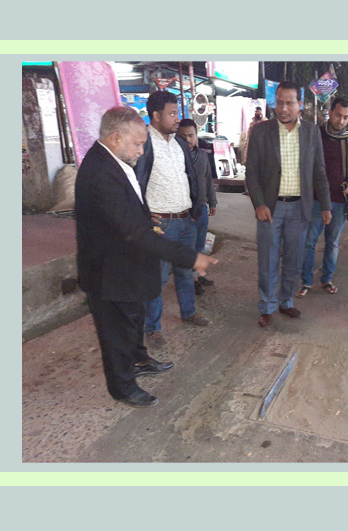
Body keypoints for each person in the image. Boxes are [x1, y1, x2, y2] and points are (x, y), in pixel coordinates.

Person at [75, 106, 217, 408]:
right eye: (138, 144)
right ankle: (123, 387)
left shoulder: (114, 160)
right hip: (109, 272)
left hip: (125, 266)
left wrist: (144, 215)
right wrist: (190, 257)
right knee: (117, 334)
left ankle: (139, 360)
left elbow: (126, 207)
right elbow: (133, 233)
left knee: (134, 320)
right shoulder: (100, 173)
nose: (142, 151)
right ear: (116, 137)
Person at [245, 81, 332, 328]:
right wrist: (259, 204)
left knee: (294, 260)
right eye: (280, 103)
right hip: (270, 208)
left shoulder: (312, 132)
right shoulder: (261, 131)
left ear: (300, 104)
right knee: (268, 261)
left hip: (300, 209)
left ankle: (286, 301)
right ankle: (267, 306)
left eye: (289, 103)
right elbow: (251, 172)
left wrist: (325, 205)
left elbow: (319, 171)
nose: (283, 108)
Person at [135, 91, 210, 355]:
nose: (177, 118)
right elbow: (134, 182)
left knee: (185, 272)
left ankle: (188, 312)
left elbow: (190, 177)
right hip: (161, 225)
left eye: (177, 112)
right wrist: (142, 215)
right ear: (156, 116)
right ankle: (152, 327)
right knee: (156, 278)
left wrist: (195, 206)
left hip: (186, 220)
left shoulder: (178, 143)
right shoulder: (143, 144)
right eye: (172, 113)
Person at [297, 97, 348, 297]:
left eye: (345, 117)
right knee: (309, 241)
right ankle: (306, 281)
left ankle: (327, 279)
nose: (341, 121)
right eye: (338, 115)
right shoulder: (316, 134)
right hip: (316, 199)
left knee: (332, 243)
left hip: (340, 200)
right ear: (330, 113)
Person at [176, 118, 218, 296]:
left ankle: (196, 275)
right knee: (188, 247)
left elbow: (207, 179)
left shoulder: (202, 155)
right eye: (183, 136)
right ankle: (191, 280)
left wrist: (212, 201)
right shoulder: (176, 157)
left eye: (191, 135)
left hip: (201, 207)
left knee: (200, 244)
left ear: (196, 135)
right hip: (185, 211)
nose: (187, 139)